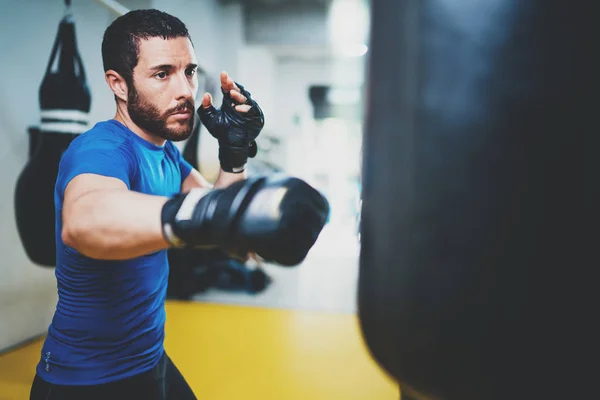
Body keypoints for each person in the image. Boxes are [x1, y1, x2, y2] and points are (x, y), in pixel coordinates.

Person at [29, 9, 329, 400]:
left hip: (148, 358)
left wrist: (233, 155)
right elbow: (84, 219)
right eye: (162, 74)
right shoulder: (102, 149)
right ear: (118, 85)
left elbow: (217, 218)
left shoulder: (167, 154)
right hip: (85, 380)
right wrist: (208, 214)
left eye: (189, 71)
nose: (185, 89)